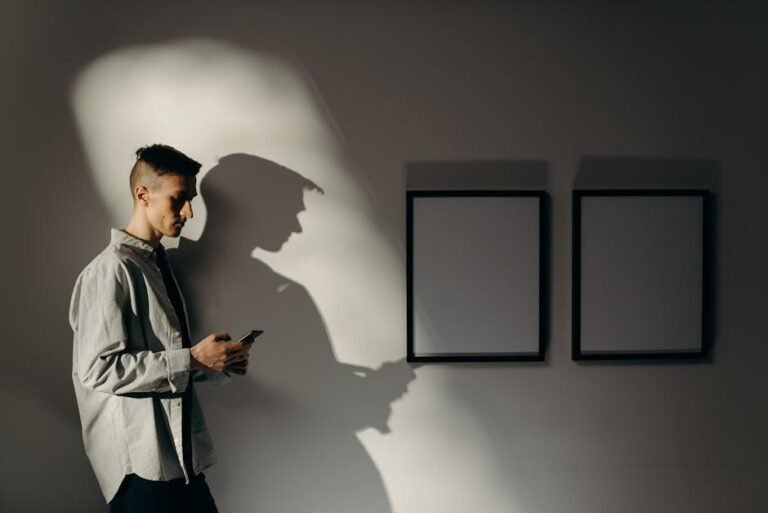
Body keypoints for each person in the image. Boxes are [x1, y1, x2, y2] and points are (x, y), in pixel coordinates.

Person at [69, 144, 251, 512]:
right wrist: (193, 359)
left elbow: (164, 360)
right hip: (141, 469)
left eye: (191, 200)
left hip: (181, 460)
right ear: (142, 194)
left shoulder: (158, 265)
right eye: (178, 199)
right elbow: (98, 369)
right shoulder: (110, 271)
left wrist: (214, 364)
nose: (188, 212)